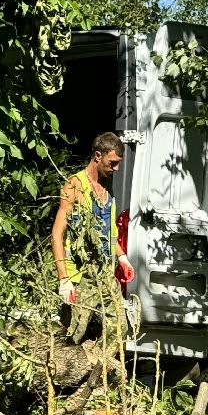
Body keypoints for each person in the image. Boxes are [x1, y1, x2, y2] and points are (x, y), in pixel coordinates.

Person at [51, 131, 135, 344]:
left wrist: (123, 259)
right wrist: (64, 279)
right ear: (98, 156)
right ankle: (59, 373)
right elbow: (57, 234)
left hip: (105, 275)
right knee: (72, 334)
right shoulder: (75, 186)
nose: (116, 168)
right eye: (113, 162)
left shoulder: (107, 194)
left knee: (119, 330)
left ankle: (98, 372)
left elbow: (110, 236)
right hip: (81, 276)